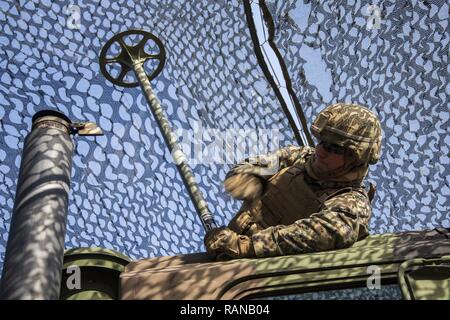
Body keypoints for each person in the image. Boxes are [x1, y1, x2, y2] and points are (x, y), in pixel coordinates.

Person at [204, 103, 382, 260]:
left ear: (355, 158)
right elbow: (251, 167)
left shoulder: (352, 201)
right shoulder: (300, 157)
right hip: (228, 254)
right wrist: (247, 180)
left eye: (332, 148)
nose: (320, 151)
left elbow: (323, 232)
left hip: (264, 277)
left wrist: (246, 246)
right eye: (321, 141)